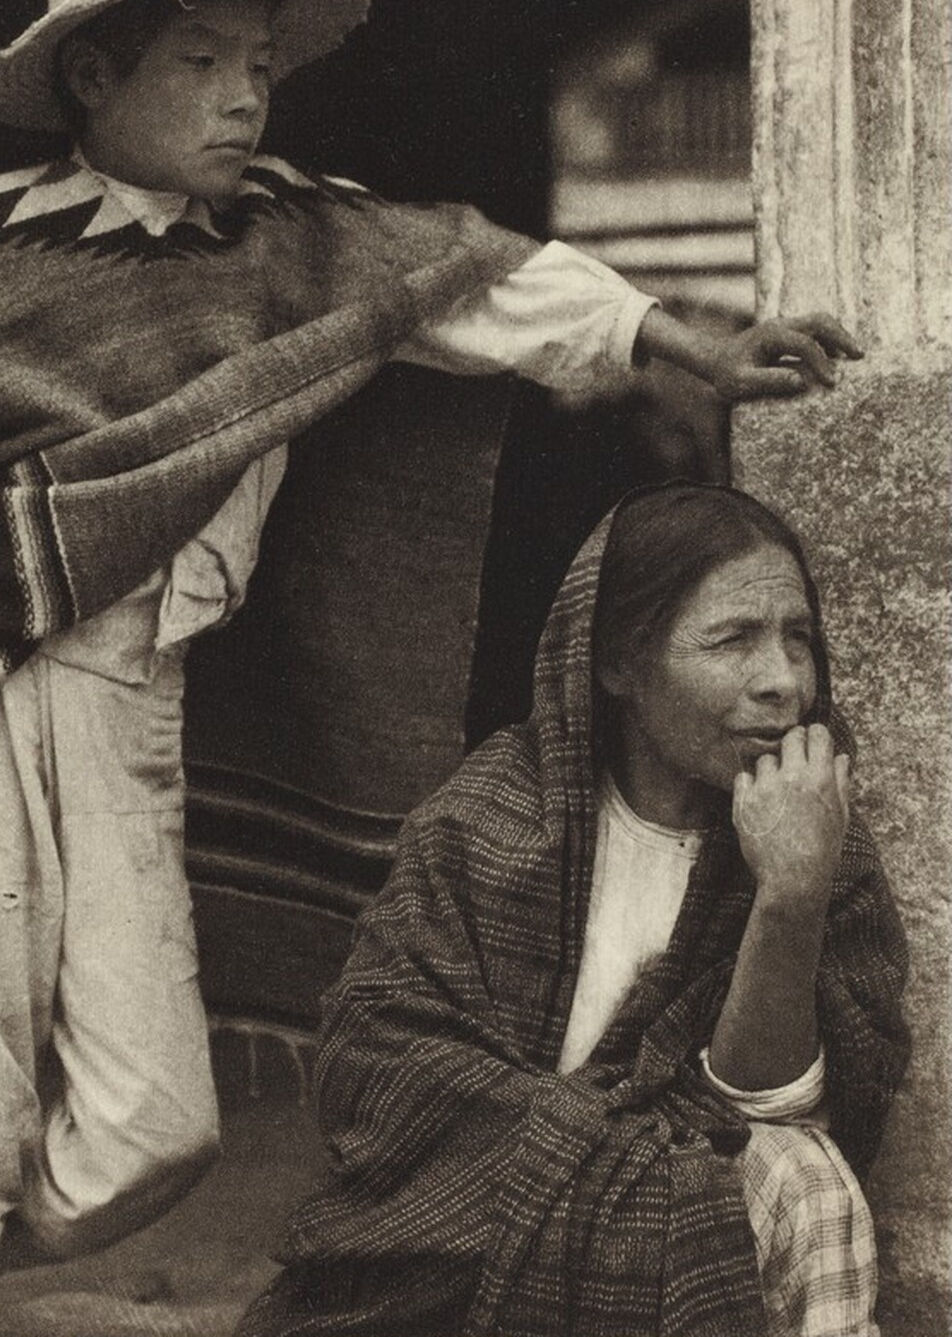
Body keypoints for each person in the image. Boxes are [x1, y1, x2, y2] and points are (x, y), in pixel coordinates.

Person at [0, 0, 861, 1337]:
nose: (240, 97)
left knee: (158, 1121)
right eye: (199, 62)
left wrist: (682, 341)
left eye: (258, 66)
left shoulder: (297, 238)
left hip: (131, 691)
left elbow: (484, 279)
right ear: (91, 75)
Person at [237, 481, 910, 1337]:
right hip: (463, 1246)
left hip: (683, 1212)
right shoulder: (485, 822)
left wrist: (790, 893)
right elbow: (377, 1069)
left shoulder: (819, 839)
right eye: (734, 639)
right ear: (618, 662)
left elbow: (771, 1114)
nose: (783, 682)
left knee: (808, 1185)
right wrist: (618, 1165)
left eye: (799, 639)